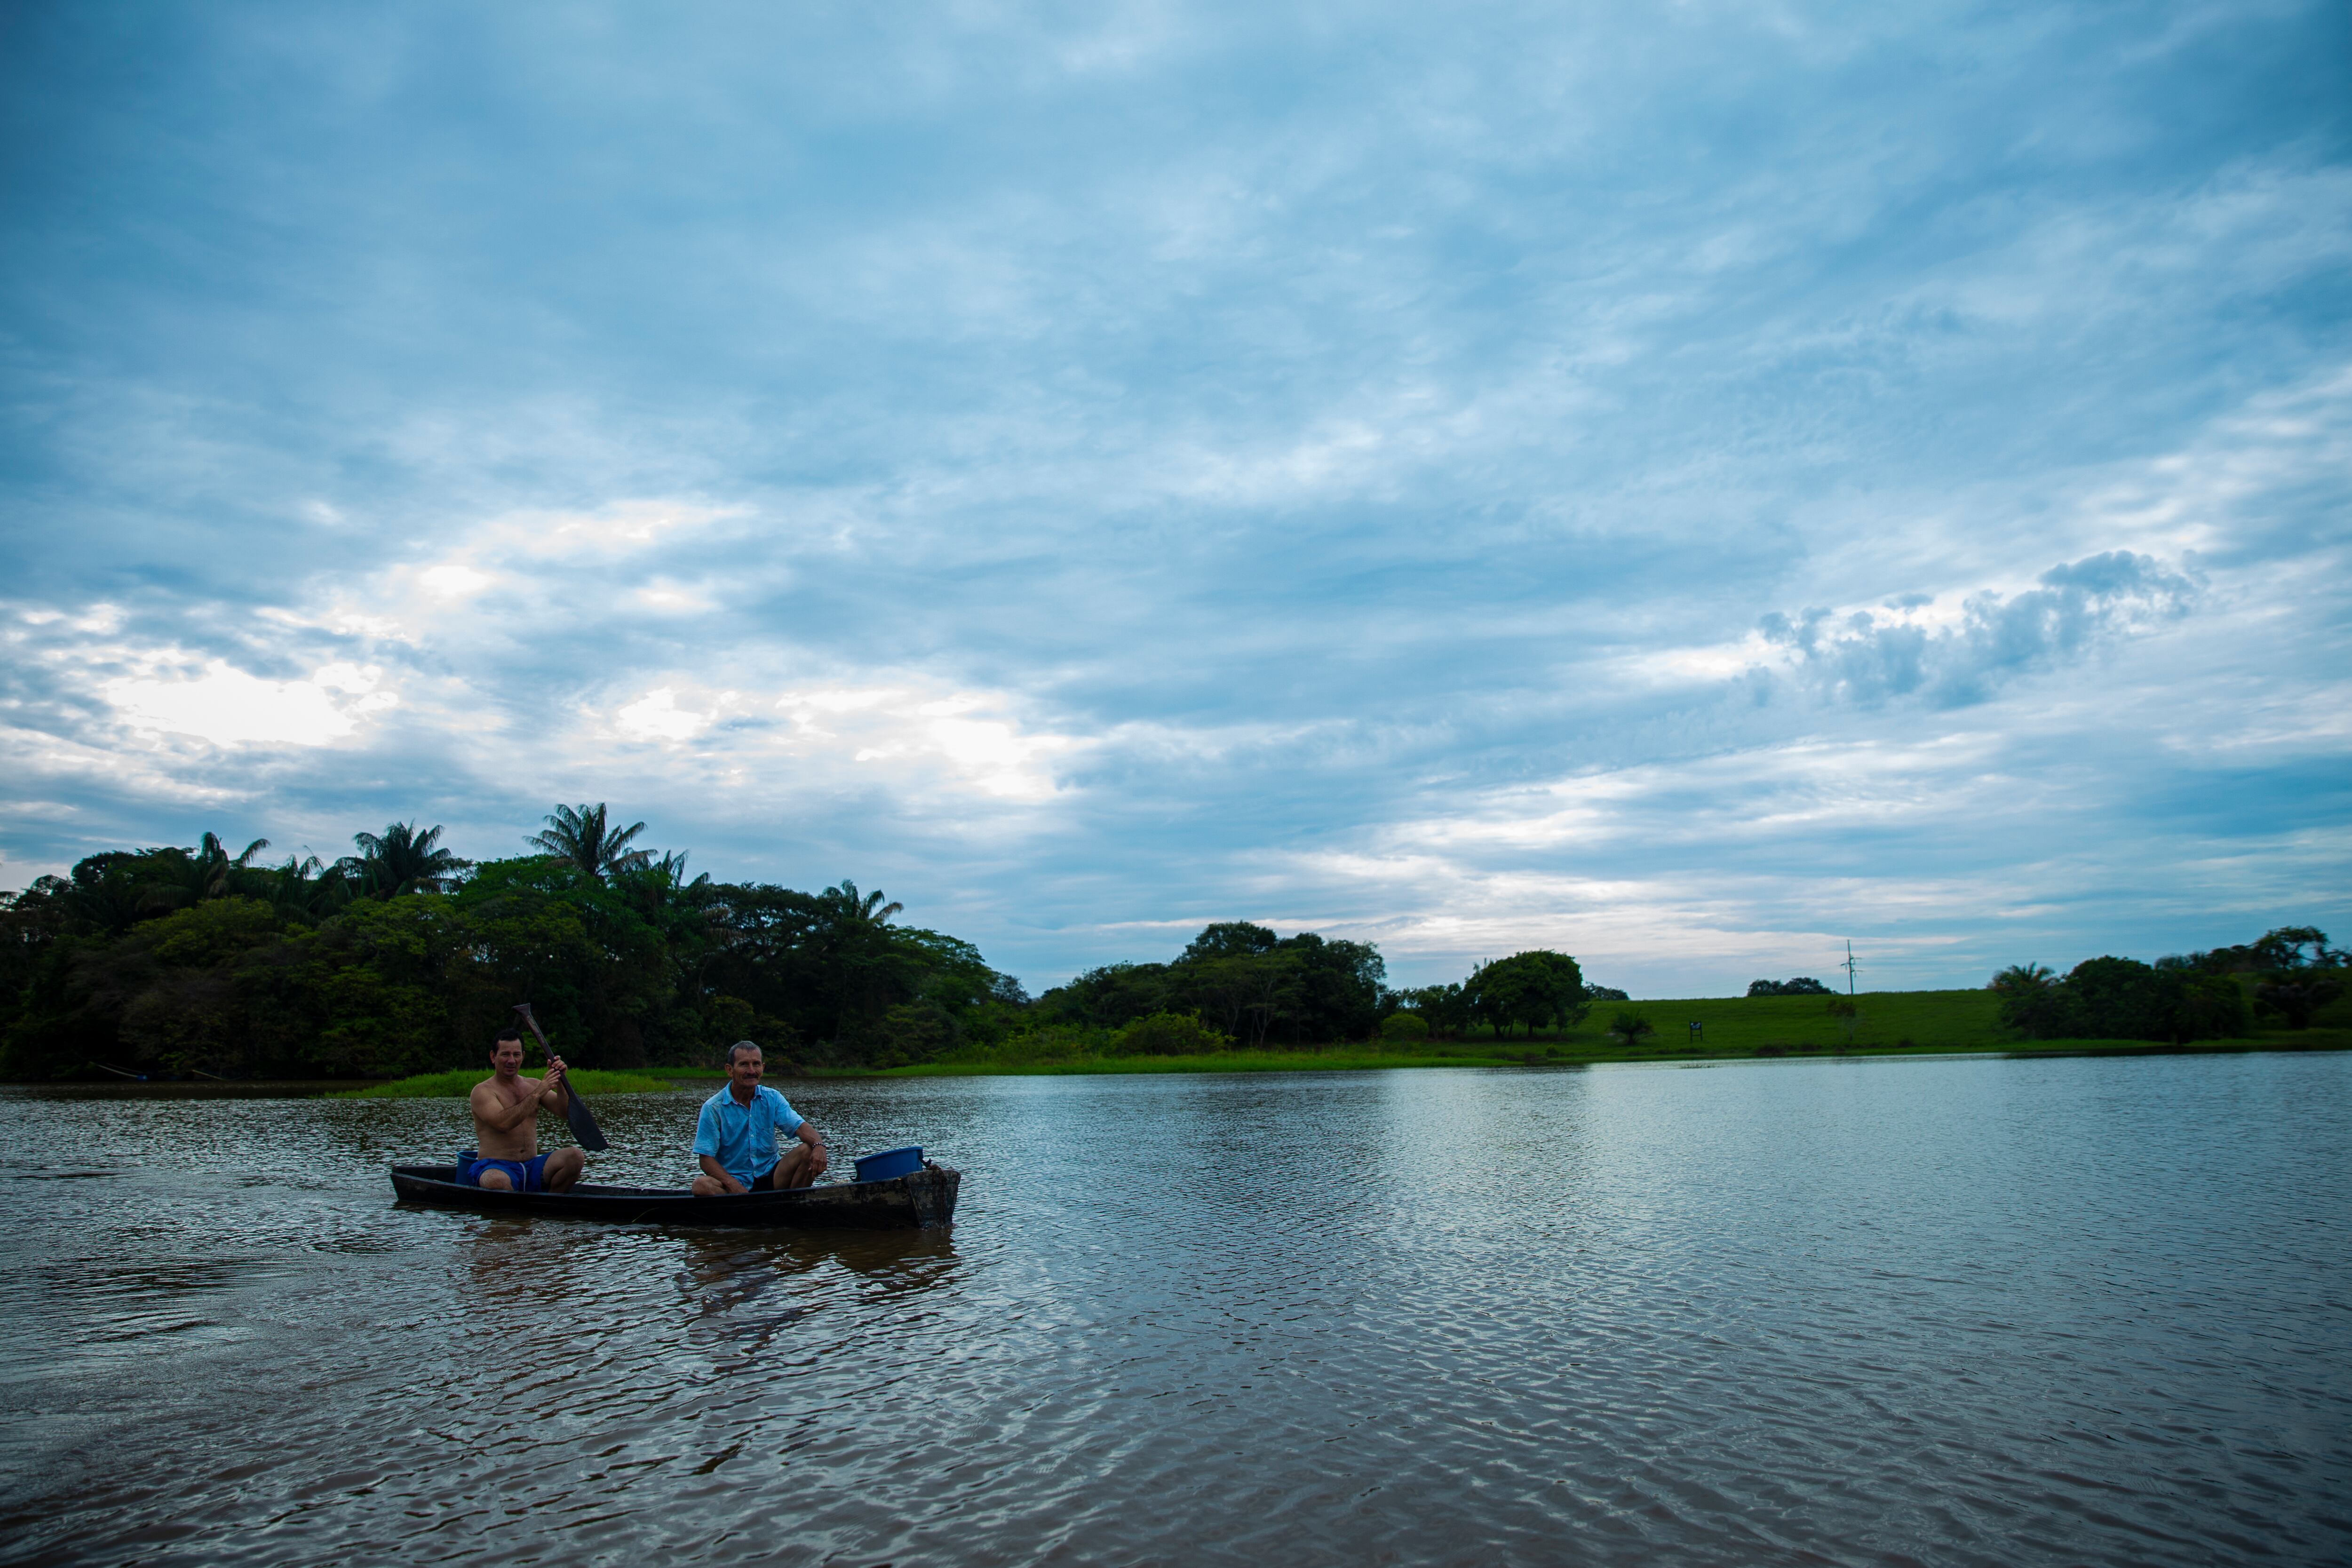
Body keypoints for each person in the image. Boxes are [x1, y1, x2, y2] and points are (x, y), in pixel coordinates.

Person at [692, 1041, 826, 1195]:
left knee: (809, 1149)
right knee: (701, 1185)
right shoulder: (713, 1108)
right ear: (730, 1070)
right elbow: (706, 1160)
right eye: (744, 1065)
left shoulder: (772, 1098)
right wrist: (733, 1185)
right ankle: (740, 1211)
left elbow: (801, 1128)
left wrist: (819, 1145)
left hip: (772, 1176)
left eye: (756, 1064)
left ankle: (793, 1205)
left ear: (763, 1068)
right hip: (733, 1183)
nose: (751, 1071)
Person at [461, 1027, 587, 1192]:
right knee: (496, 1181)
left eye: (516, 1055)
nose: (511, 1061)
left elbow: (564, 1112)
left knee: (575, 1157)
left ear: (523, 1056)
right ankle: (513, 1213)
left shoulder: (533, 1085)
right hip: (497, 1166)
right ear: (493, 1057)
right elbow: (503, 1123)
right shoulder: (483, 1091)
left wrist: (560, 1080)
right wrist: (539, 1092)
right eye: (505, 1054)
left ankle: (548, 1207)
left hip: (532, 1165)